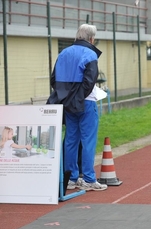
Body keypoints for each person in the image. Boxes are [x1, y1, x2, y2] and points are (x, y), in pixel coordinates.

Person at [47, 24, 107, 191]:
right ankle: (88, 178)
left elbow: (53, 79)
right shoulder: (91, 54)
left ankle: (71, 178)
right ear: (91, 39)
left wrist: (66, 96)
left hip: (67, 103)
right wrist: (78, 98)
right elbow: (89, 82)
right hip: (85, 103)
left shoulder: (63, 53)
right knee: (88, 140)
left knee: (71, 140)